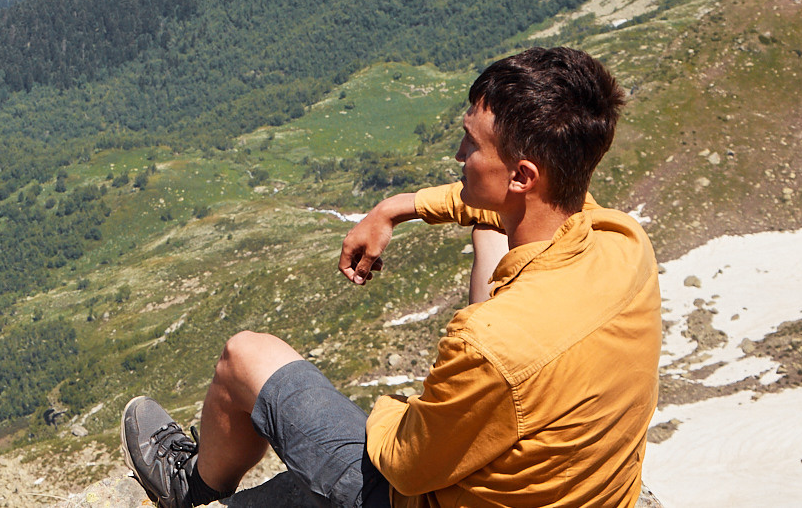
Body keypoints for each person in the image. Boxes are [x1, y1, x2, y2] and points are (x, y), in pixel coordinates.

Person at [122, 47, 658, 508]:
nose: (458, 155)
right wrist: (397, 208)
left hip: (416, 493)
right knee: (489, 236)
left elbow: (406, 465)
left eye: (471, 146)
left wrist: (395, 410)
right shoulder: (622, 242)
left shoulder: (491, 344)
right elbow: (502, 211)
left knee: (245, 355)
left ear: (521, 176)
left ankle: (190, 485)